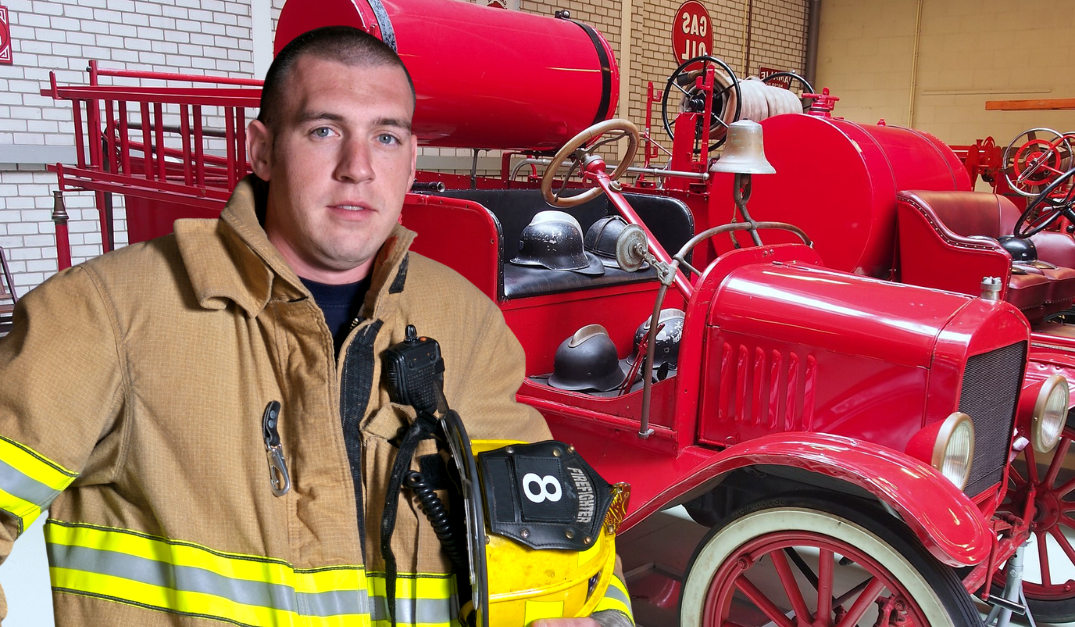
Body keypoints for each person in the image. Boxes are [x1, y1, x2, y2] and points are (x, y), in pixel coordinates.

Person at [0, 26, 632, 627]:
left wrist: (602, 614)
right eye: (325, 130)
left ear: (412, 162)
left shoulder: (465, 321)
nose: (357, 167)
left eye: (386, 138)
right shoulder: (108, 315)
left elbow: (557, 522)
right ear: (262, 150)